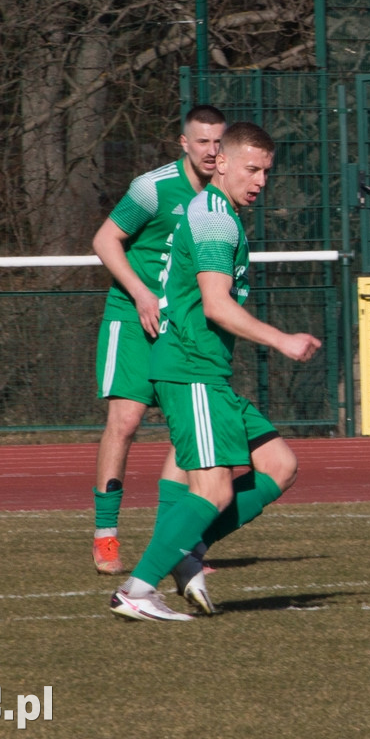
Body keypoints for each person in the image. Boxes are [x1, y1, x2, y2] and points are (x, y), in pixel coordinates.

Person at [109, 121, 322, 622]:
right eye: (252, 169)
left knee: (279, 466)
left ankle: (186, 550)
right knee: (214, 489)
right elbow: (216, 306)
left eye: (267, 172)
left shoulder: (217, 211)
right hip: (190, 369)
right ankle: (138, 589)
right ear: (220, 162)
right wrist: (282, 340)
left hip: (205, 371)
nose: (260, 181)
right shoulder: (214, 221)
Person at [91, 105, 228, 575]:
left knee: (190, 429)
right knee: (126, 422)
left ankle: (178, 543)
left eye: (218, 142)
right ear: (184, 144)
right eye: (202, 142)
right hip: (132, 316)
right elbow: (105, 239)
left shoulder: (224, 193)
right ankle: (106, 536)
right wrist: (142, 293)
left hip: (180, 325)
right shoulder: (152, 188)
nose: (211, 151)